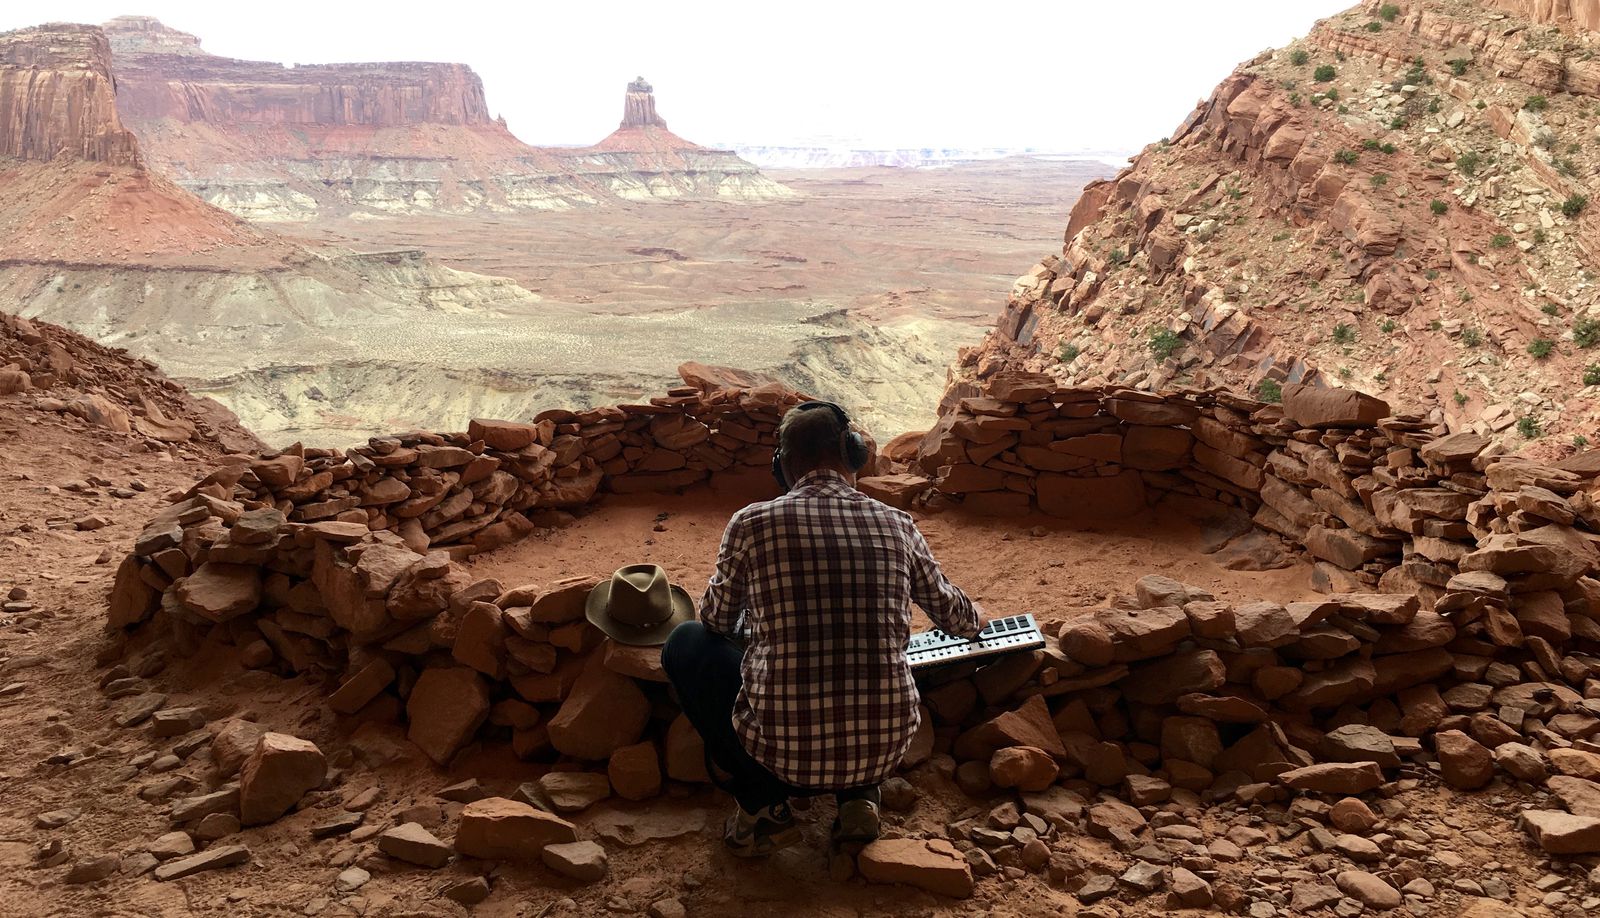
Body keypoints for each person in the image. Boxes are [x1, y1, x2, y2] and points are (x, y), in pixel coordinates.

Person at [660, 401, 981, 857]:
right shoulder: (897, 524)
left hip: (781, 756)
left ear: (782, 465)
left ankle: (763, 806)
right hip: (884, 749)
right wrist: (977, 615)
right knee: (869, 659)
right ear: (853, 455)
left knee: (686, 643)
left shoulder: (751, 524)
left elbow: (715, 621)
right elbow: (958, 620)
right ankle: (859, 801)